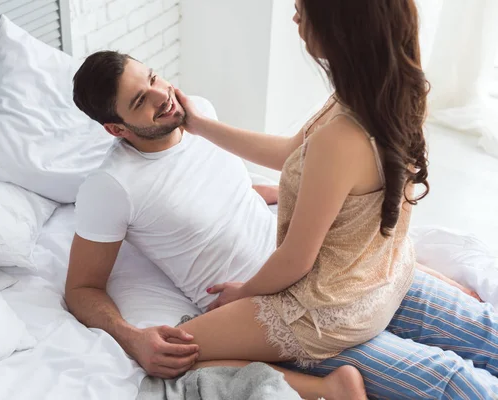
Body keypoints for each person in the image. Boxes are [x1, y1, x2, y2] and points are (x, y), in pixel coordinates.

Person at [65, 2, 498, 399]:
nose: (163, 95)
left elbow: (294, 193)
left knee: (481, 333)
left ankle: (328, 388)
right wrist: (132, 337)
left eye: (154, 78)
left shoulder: (211, 113)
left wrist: (411, 264)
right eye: (141, 100)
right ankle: (327, 387)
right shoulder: (111, 187)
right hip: (284, 303)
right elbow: (82, 287)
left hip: (326, 277)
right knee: (450, 379)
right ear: (116, 129)